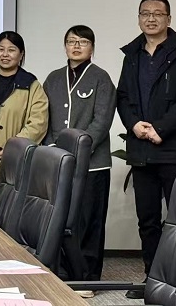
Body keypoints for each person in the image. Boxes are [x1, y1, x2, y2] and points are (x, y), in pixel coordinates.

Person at [116, 0, 176, 299]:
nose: (151, 18)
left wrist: (160, 129)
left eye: (157, 13)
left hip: (175, 150)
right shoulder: (132, 54)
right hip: (142, 149)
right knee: (148, 220)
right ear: (138, 18)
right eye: (145, 13)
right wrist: (134, 125)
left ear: (169, 19)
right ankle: (152, 279)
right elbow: (123, 97)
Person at [43, 25, 116, 283]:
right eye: (71, 41)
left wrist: (79, 149)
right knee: (60, 220)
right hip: (59, 163)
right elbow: (45, 118)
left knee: (89, 220)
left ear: (92, 48)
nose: (76, 46)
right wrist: (53, 148)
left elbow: (102, 121)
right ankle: (62, 273)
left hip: (93, 164)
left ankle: (88, 276)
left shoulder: (101, 78)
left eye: (83, 42)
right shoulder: (53, 78)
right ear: (65, 46)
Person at [0, 31, 48, 210]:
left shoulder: (31, 85)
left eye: (11, 50)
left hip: (16, 163)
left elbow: (38, 123)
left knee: (10, 215)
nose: (5, 54)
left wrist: (11, 148)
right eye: (0, 49)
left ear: (21, 54)